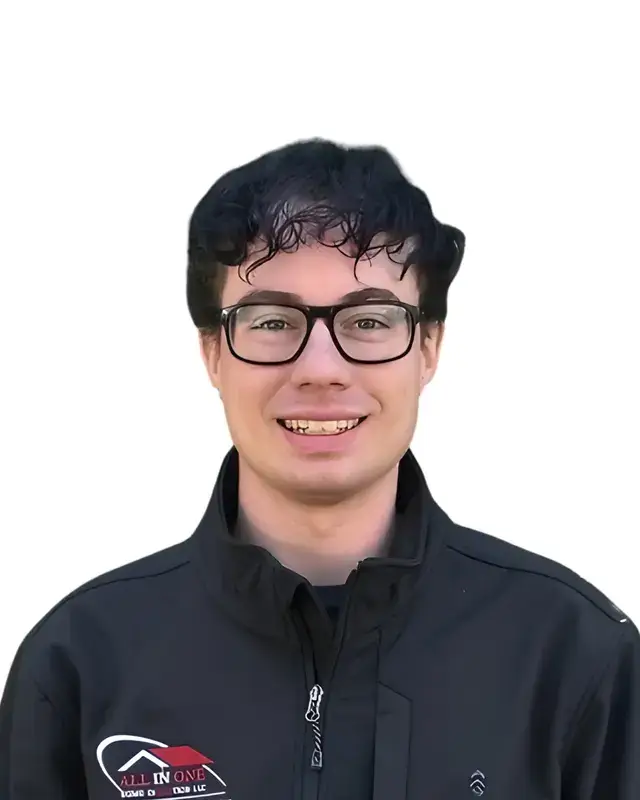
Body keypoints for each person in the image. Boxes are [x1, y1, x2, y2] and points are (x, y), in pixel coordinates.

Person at [1, 139, 638, 800]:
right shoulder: (83, 661)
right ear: (212, 353)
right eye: (272, 321)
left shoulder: (572, 654)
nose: (321, 369)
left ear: (428, 348)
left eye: (369, 320)